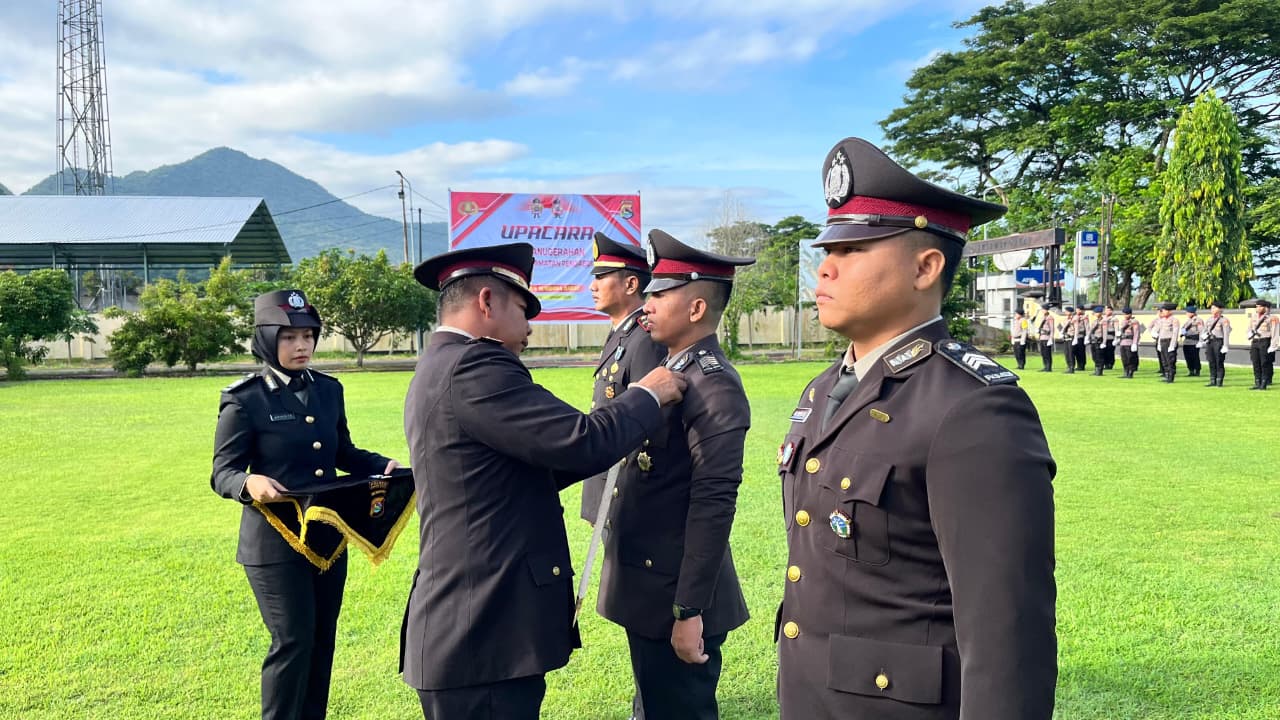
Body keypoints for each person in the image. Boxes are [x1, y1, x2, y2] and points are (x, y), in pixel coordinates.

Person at [776, 137, 1057, 719]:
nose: (825, 266)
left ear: (926, 267)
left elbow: (1007, 633)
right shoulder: (823, 390)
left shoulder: (972, 408)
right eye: (828, 248)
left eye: (853, 249)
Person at [400, 242, 687, 720]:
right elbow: (581, 441)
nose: (530, 327)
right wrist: (646, 395)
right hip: (484, 634)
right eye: (522, 309)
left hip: (474, 630)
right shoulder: (475, 366)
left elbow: (535, 463)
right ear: (487, 301)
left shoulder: (440, 362)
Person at [211, 289, 401, 720]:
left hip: (327, 539)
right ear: (266, 339)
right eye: (289, 337)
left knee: (321, 640)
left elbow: (342, 452)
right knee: (293, 640)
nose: (302, 346)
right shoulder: (245, 399)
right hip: (274, 544)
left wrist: (381, 465)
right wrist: (249, 482)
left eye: (308, 336)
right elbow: (222, 472)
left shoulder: (328, 390)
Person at [596, 229, 753, 720]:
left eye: (660, 295)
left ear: (697, 308)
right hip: (648, 589)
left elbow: (713, 505)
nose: (646, 305)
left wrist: (689, 611)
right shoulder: (667, 372)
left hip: (675, 596)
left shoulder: (713, 386)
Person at [580, 232, 666, 526]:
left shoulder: (645, 338)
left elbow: (649, 425)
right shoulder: (622, 333)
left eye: (601, 277)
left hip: (626, 494)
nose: (592, 286)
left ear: (631, 284)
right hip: (608, 482)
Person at [1247, 299, 1278, 390]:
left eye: (1260, 306)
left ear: (1265, 307)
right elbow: (1249, 328)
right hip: (1255, 341)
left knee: (1264, 363)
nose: (1258, 308)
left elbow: (1275, 332)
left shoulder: (1272, 318)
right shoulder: (1254, 317)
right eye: (1256, 307)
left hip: (1265, 341)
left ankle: (1264, 383)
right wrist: (1248, 334)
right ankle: (1257, 382)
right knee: (1255, 362)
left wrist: (1273, 345)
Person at [1202, 301, 1232, 387]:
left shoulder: (1224, 320)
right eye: (1211, 308)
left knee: (1219, 361)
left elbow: (1226, 333)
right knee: (1211, 361)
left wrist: (1225, 345)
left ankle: (1219, 380)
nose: (1212, 310)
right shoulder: (1209, 319)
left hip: (1219, 341)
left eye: (1214, 308)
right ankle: (1212, 380)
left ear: (1220, 309)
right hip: (1210, 341)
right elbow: (1205, 330)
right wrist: (1203, 337)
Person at [1150, 303, 1180, 382]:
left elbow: (1175, 333)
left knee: (1170, 360)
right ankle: (1166, 375)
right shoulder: (1162, 320)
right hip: (1162, 341)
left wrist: (1172, 345)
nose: (1162, 312)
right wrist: (1159, 343)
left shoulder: (1174, 320)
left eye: (1164, 310)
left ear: (1169, 311)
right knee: (1164, 360)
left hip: (1169, 341)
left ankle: (1171, 376)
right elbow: (1159, 332)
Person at [1117, 307, 1142, 379]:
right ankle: (1125, 371)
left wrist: (1134, 343)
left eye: (1127, 314)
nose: (1125, 315)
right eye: (1124, 314)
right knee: (1124, 358)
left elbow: (1136, 333)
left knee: (1130, 358)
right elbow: (1121, 331)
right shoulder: (1123, 321)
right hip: (1123, 342)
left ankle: (1130, 372)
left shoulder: (1134, 322)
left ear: (1130, 314)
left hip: (1130, 342)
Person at [1180, 306, 1205, 377]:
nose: (1186, 314)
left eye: (1187, 312)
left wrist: (1200, 341)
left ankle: (1197, 370)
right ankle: (1191, 370)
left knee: (1195, 357)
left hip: (1194, 341)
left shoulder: (1198, 320)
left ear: (1192, 313)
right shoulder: (1188, 321)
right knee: (1188, 357)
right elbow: (1183, 329)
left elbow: (1201, 331)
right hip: (1187, 341)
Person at [1036, 303, 1056, 372]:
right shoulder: (1043, 317)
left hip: (1047, 337)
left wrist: (1051, 339)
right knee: (1043, 353)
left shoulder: (1050, 317)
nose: (1042, 310)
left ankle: (1048, 367)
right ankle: (1045, 366)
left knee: (1047, 353)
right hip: (1042, 337)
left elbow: (1052, 329)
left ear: (1046, 310)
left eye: (1043, 309)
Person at [1088, 305, 1107, 375]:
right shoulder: (1095, 321)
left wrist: (1104, 342)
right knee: (1094, 356)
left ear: (1100, 313)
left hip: (1099, 340)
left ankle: (1099, 370)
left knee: (1099, 356)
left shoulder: (1104, 321)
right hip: (1093, 340)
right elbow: (1091, 330)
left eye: (1096, 312)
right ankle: (1096, 369)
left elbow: (1105, 332)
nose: (1095, 314)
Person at [1060, 305, 1077, 374]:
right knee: (1066, 353)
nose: (1065, 312)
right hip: (1066, 337)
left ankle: (1072, 367)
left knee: (1071, 353)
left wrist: (1075, 338)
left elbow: (1076, 329)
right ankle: (1068, 366)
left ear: (1070, 312)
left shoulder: (1074, 319)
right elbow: (1061, 327)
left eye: (1066, 311)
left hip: (1071, 337)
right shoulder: (1066, 319)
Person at [1071, 305, 1088, 372]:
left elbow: (1087, 327)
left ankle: (1081, 365)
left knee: (1081, 351)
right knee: (1075, 351)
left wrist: (1087, 336)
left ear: (1081, 310)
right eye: (1077, 309)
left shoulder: (1084, 317)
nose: (1077, 311)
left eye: (1078, 309)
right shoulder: (1075, 316)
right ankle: (1078, 364)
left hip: (1081, 336)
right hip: (1074, 335)